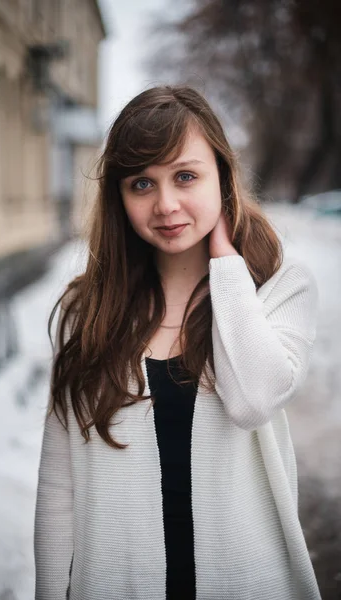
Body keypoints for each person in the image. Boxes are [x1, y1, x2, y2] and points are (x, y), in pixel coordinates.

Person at [34, 85, 322, 600]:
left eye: (186, 176)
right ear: (119, 198)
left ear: (223, 176)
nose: (165, 205)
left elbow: (253, 399)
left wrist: (227, 267)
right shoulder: (88, 313)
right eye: (142, 183)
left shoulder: (279, 289)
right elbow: (59, 489)